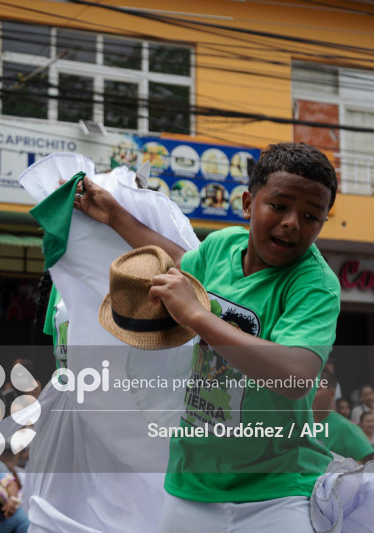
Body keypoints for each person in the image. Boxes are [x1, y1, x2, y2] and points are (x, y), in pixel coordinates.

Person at [72, 142, 340, 532]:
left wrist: (196, 316)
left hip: (279, 491)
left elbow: (297, 376)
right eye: (279, 206)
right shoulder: (222, 245)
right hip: (192, 481)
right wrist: (114, 215)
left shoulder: (315, 284)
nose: (293, 223)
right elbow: (183, 264)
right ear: (249, 203)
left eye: (311, 215)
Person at [312, 371, 374, 463]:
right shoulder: (298, 422)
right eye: (307, 389)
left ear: (332, 393)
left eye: (317, 389)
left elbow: (368, 459)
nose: (310, 394)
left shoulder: (346, 427)